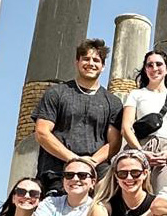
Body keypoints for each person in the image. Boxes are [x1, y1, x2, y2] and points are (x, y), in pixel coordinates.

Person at [32, 38, 123, 197]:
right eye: (86, 59)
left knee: (107, 205)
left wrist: (91, 162)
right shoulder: (57, 93)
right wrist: (74, 159)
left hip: (96, 170)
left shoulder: (113, 102)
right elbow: (42, 133)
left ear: (103, 66)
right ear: (77, 61)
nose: (91, 63)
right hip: (57, 169)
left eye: (96, 60)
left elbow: (114, 142)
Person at [121, 49, 167, 192]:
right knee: (133, 193)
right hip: (140, 147)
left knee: (164, 197)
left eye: (159, 64)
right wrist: (140, 151)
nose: (154, 68)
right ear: (145, 69)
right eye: (149, 65)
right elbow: (126, 128)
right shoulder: (136, 94)